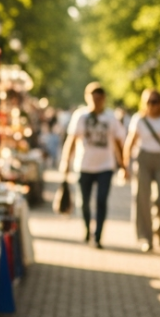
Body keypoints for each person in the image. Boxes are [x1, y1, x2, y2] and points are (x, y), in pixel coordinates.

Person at [61, 82, 127, 248]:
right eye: (93, 98)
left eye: (99, 99)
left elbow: (119, 143)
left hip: (105, 167)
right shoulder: (80, 116)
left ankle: (98, 236)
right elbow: (72, 140)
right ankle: (86, 228)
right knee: (84, 202)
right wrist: (65, 162)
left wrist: (123, 165)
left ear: (104, 99)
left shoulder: (111, 118)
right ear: (87, 98)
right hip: (84, 166)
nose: (96, 102)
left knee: (101, 201)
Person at [124, 89, 160, 252]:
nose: (153, 105)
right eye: (149, 101)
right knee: (142, 199)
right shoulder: (139, 119)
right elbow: (130, 143)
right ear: (144, 103)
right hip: (143, 157)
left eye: (156, 101)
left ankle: (159, 229)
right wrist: (125, 166)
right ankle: (147, 237)